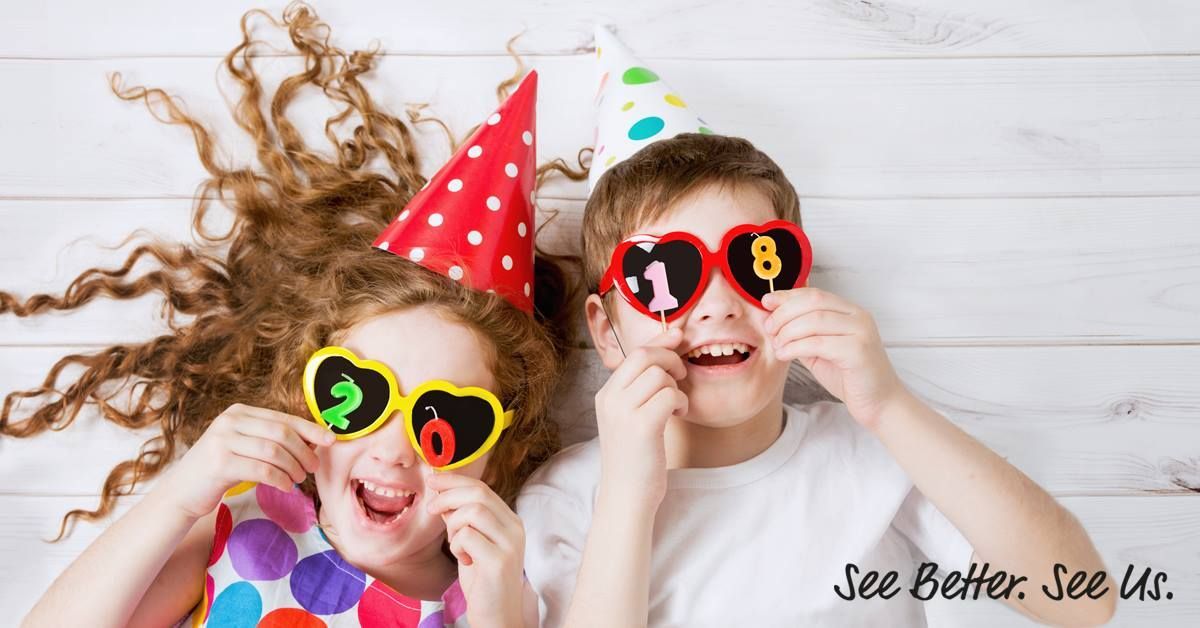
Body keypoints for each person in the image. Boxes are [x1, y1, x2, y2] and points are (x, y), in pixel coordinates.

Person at [516, 27, 1116, 627]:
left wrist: (887, 406)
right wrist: (627, 494)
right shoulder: (569, 498)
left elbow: (1083, 602)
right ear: (606, 330)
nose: (719, 305)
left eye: (755, 262)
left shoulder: (870, 457)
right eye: (666, 275)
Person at [6, 6, 574, 626]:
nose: (393, 450)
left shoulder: (498, 597)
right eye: (359, 396)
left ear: (498, 453)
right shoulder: (242, 528)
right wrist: (178, 497)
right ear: (310, 405)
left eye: (445, 422)